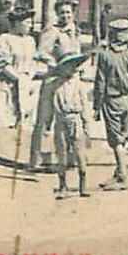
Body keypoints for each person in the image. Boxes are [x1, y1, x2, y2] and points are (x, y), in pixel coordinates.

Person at [29, 0, 82, 171]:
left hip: (70, 81)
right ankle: (34, 160)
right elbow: (40, 53)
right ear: (56, 14)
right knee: (44, 120)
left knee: (68, 119)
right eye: (62, 13)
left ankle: (67, 158)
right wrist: (55, 63)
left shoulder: (76, 31)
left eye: (68, 12)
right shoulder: (52, 31)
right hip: (53, 79)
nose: (65, 16)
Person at [93, 18, 128, 190]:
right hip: (126, 99)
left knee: (115, 140)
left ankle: (123, 176)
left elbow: (100, 83)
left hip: (111, 99)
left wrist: (96, 107)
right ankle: (118, 172)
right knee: (123, 136)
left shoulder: (105, 56)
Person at [48, 52, 95, 199]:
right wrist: (48, 124)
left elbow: (85, 105)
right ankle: (63, 185)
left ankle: (83, 184)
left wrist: (87, 124)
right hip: (61, 119)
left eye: (72, 66)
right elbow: (50, 106)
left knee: (79, 152)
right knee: (61, 153)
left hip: (76, 119)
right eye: (67, 67)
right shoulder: (55, 85)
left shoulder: (79, 85)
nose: (70, 70)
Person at [0, 12, 37, 130]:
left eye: (31, 22)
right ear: (17, 23)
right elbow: (2, 63)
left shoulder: (30, 40)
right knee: (7, 120)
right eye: (27, 22)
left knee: (25, 121)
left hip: (26, 85)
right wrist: (18, 78)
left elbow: (33, 61)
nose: (31, 25)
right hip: (8, 84)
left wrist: (29, 76)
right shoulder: (4, 38)